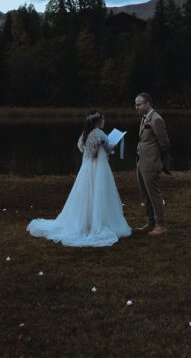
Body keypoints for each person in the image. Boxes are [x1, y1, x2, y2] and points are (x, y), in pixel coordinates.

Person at [27, 111, 131, 247]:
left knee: (85, 194)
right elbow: (107, 148)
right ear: (98, 121)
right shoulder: (99, 134)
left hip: (86, 168)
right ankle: (97, 223)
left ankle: (86, 221)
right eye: (103, 119)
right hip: (98, 170)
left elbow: (82, 148)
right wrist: (115, 143)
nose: (104, 121)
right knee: (98, 193)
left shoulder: (85, 134)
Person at [133, 92, 169, 236]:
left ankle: (161, 225)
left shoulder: (156, 119)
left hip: (151, 164)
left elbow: (165, 144)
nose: (136, 107)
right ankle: (150, 223)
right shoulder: (144, 118)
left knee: (154, 194)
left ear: (147, 104)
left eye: (138, 104)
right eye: (135, 104)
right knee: (145, 195)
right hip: (141, 162)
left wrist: (155, 159)